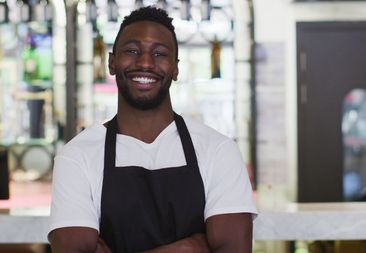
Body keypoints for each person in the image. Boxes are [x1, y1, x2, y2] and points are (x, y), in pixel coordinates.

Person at [48, 6, 257, 253]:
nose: (145, 62)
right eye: (132, 51)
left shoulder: (218, 150)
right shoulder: (77, 156)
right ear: (111, 62)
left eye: (159, 53)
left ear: (175, 68)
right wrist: (186, 249)